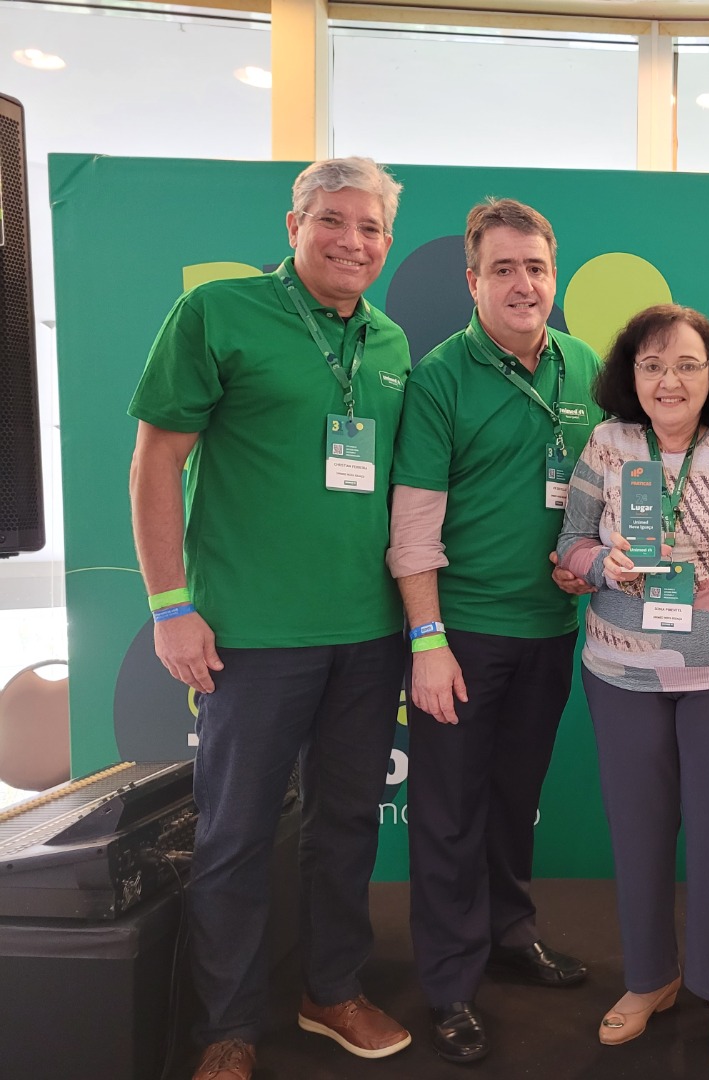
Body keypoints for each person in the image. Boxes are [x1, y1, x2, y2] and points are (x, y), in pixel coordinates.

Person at [128, 157, 412, 1080]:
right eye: (333, 219)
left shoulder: (390, 341)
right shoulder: (218, 312)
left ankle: (332, 990)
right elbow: (156, 460)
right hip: (248, 636)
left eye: (370, 228)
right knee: (235, 835)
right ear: (294, 225)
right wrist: (170, 605)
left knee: (347, 826)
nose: (352, 242)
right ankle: (228, 1027)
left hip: (367, 634)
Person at [556, 304, 709, 1077]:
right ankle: (650, 979)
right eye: (652, 365)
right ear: (629, 374)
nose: (669, 380)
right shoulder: (608, 442)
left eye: (687, 365)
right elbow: (570, 543)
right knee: (637, 835)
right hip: (621, 673)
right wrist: (602, 565)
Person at [385, 197, 602, 1065]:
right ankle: (448, 982)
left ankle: (510, 933)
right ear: (472, 279)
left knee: (515, 797)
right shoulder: (441, 377)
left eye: (535, 268)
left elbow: (614, 485)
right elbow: (413, 525)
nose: (523, 284)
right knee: (448, 812)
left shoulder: (585, 366)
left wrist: (589, 558)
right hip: (463, 634)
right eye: (503, 269)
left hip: (550, 628)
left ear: (554, 277)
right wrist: (427, 642)